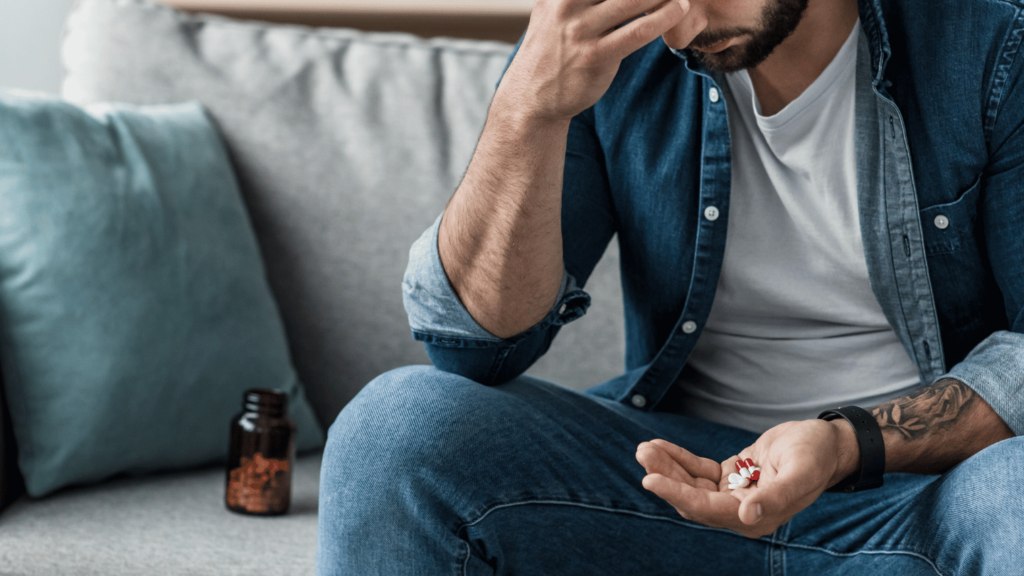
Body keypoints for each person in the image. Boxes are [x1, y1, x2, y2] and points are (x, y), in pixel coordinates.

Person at [316, 0, 1023, 572]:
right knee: (395, 429)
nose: (679, 26)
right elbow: (476, 349)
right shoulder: (620, 45)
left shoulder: (995, 42)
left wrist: (843, 445)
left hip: (925, 499)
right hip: (672, 488)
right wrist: (526, 107)